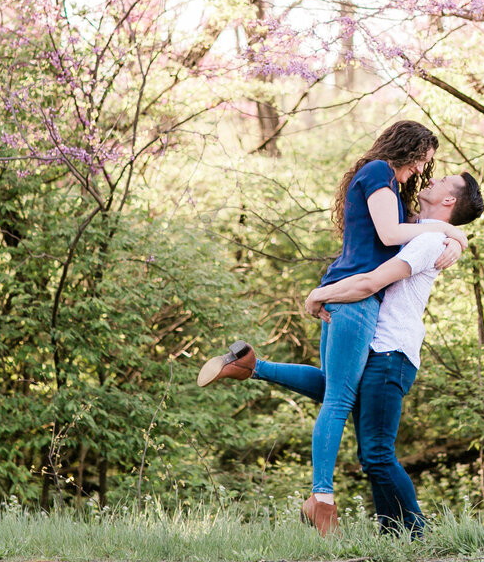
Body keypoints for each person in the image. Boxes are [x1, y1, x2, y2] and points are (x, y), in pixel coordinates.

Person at [197, 121, 469, 534]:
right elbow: (393, 234)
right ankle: (323, 500)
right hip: (356, 295)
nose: (421, 172)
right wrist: (450, 231)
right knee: (341, 401)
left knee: (334, 387)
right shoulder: (380, 172)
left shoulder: (396, 195)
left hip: (350, 295)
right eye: (420, 163)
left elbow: (412, 230)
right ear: (408, 149)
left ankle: (252, 366)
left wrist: (456, 238)